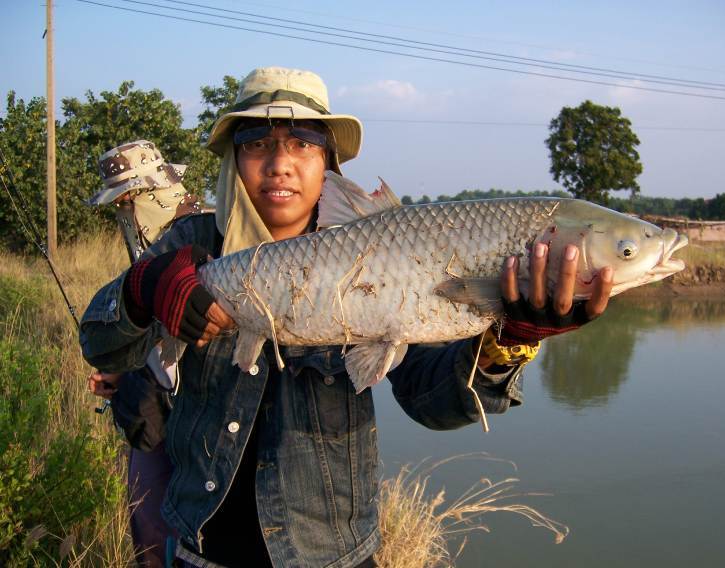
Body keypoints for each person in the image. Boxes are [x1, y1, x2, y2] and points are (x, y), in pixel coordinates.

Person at [80, 67, 613, 568]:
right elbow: (99, 342)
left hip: (333, 553)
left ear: (327, 161)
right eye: (258, 144)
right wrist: (142, 290)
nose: (280, 163)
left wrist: (509, 342)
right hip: (203, 546)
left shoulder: (389, 249)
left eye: (303, 143)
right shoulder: (192, 246)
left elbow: (432, 403)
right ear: (234, 161)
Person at [85, 140, 200, 567]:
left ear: (143, 195)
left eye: (124, 202)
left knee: (169, 542)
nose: (122, 215)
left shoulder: (202, 238)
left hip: (192, 431)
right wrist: (125, 373)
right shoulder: (158, 243)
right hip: (159, 418)